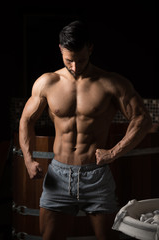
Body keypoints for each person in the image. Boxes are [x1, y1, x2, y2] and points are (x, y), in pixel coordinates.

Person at [19, 20, 152, 240]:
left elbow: (143, 119)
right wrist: (27, 159)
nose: (75, 67)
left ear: (90, 48)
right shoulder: (47, 82)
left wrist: (113, 153)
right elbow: (25, 120)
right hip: (58, 176)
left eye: (80, 60)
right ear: (60, 49)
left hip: (96, 177)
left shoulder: (111, 83)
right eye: (69, 60)